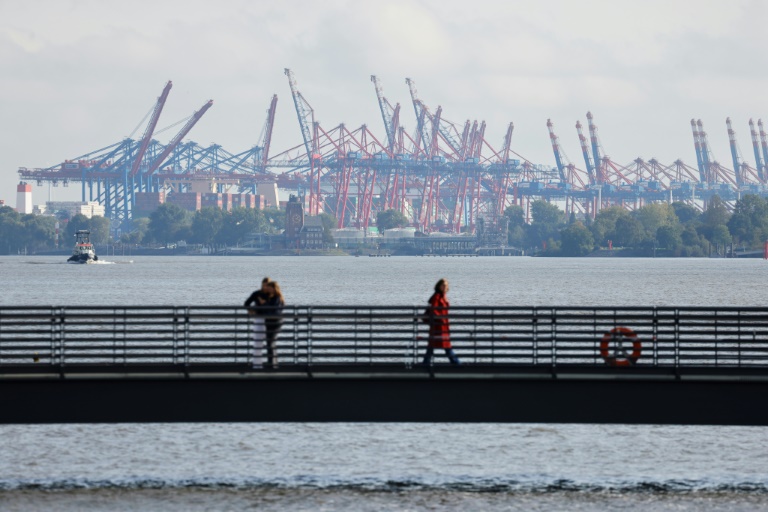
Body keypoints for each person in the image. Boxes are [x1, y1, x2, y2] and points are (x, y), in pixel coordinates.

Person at [423, 278, 460, 366]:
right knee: (445, 346)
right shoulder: (437, 296)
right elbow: (433, 310)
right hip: (438, 326)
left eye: (446, 286)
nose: (445, 287)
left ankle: (425, 363)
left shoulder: (443, 296)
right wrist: (441, 319)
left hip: (442, 326)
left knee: (434, 345)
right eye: (443, 285)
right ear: (439, 286)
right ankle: (457, 364)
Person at [244, 277, 270, 368]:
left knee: (270, 345)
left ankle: (271, 365)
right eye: (264, 285)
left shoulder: (272, 295)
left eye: (267, 285)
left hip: (270, 321)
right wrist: (251, 311)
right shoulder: (257, 294)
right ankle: (257, 366)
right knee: (258, 344)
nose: (265, 287)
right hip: (259, 320)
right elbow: (246, 303)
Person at [262, 280, 285, 368]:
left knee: (270, 342)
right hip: (271, 322)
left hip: (274, 322)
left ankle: (271, 363)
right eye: (268, 288)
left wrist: (264, 304)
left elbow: (273, 311)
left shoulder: (277, 298)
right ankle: (273, 363)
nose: (269, 289)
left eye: (270, 288)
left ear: (274, 289)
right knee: (270, 342)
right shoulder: (273, 297)